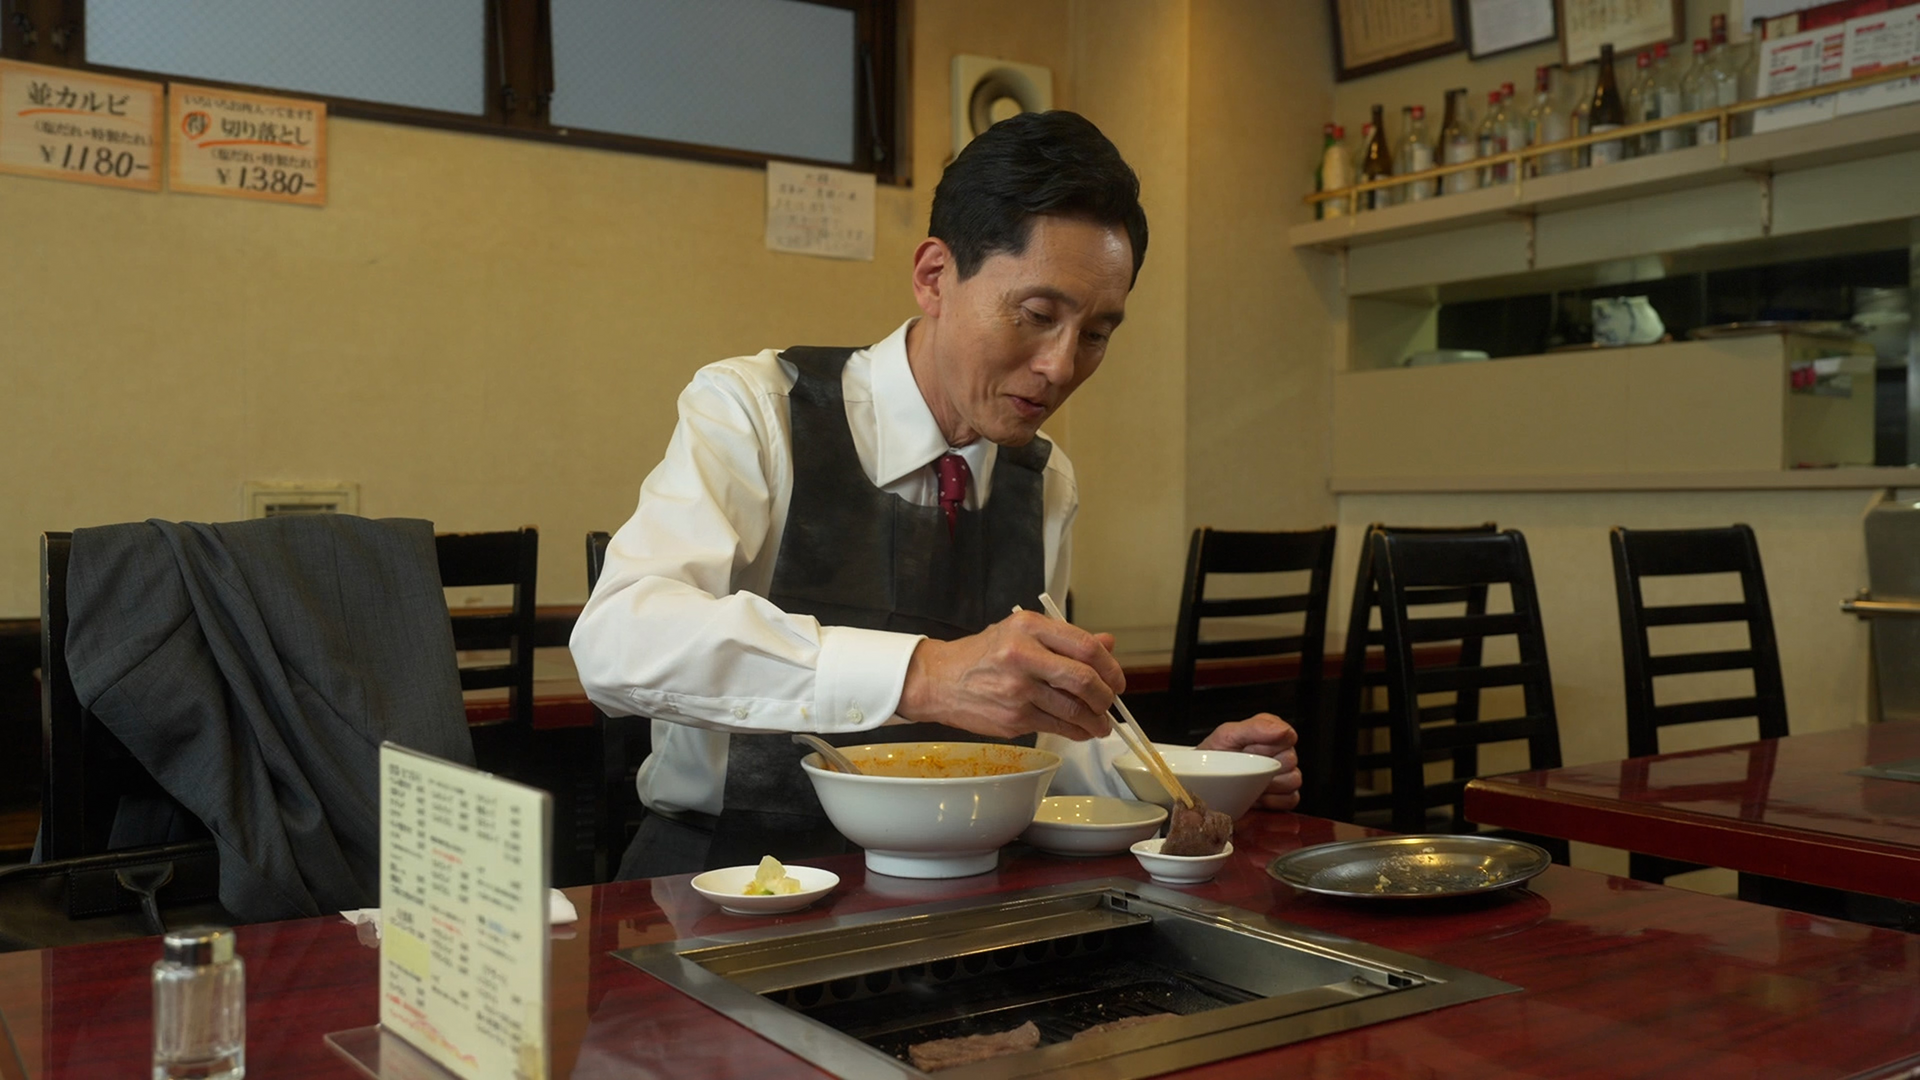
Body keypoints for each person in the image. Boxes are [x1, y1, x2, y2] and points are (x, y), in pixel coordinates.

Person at [572, 110, 1302, 879]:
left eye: (1096, 334)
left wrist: (1182, 772)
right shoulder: (755, 409)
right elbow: (619, 641)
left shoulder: (1044, 476)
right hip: (725, 882)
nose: (1060, 367)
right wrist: (925, 675)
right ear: (933, 277)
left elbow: (1035, 735)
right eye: (1037, 316)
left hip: (949, 886)